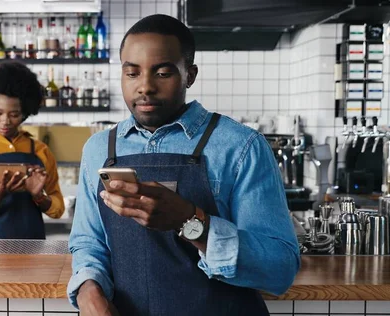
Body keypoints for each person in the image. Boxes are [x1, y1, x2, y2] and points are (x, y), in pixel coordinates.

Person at [67, 14, 300, 316]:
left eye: (162, 74)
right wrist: (89, 295)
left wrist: (191, 222)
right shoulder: (99, 148)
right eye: (132, 74)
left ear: (189, 75)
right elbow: (88, 243)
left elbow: (279, 268)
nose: (145, 87)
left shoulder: (240, 147)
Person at [0, 61, 64, 239]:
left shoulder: (41, 151)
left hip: (34, 251)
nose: (5, 121)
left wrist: (39, 196)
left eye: (14, 114)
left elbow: (57, 210)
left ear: (25, 112)